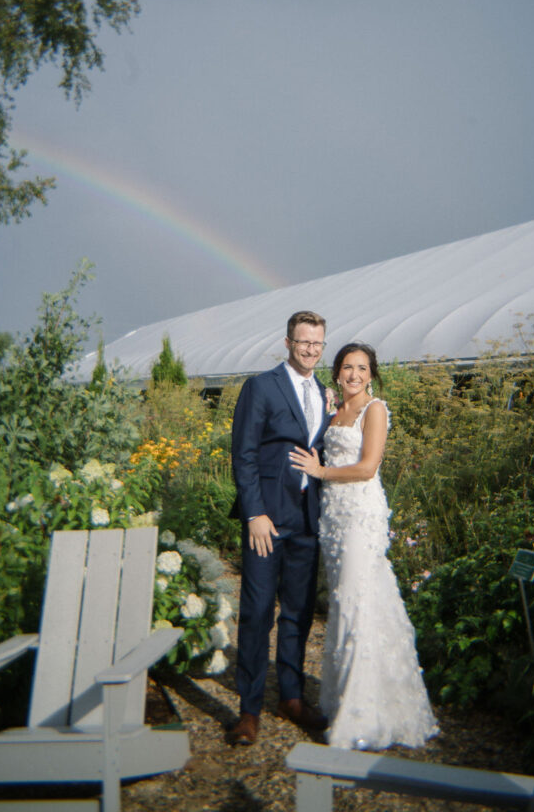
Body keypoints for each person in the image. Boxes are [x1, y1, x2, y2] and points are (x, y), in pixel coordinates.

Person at [289, 342, 439, 751]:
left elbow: (369, 466)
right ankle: (349, 704)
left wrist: (321, 470)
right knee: (346, 603)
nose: (354, 374)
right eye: (347, 367)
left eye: (362, 368)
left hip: (360, 517)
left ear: (371, 374)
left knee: (358, 601)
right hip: (333, 520)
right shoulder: (335, 409)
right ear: (336, 372)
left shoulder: (375, 410)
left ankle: (363, 716)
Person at [227, 311, 331, 746]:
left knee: (298, 612)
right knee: (255, 614)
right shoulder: (262, 386)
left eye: (318, 344)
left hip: (307, 519)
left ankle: (291, 696)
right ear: (287, 342)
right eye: (303, 342)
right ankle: (248, 710)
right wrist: (254, 513)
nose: (310, 350)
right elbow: (244, 452)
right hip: (267, 520)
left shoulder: (325, 393)